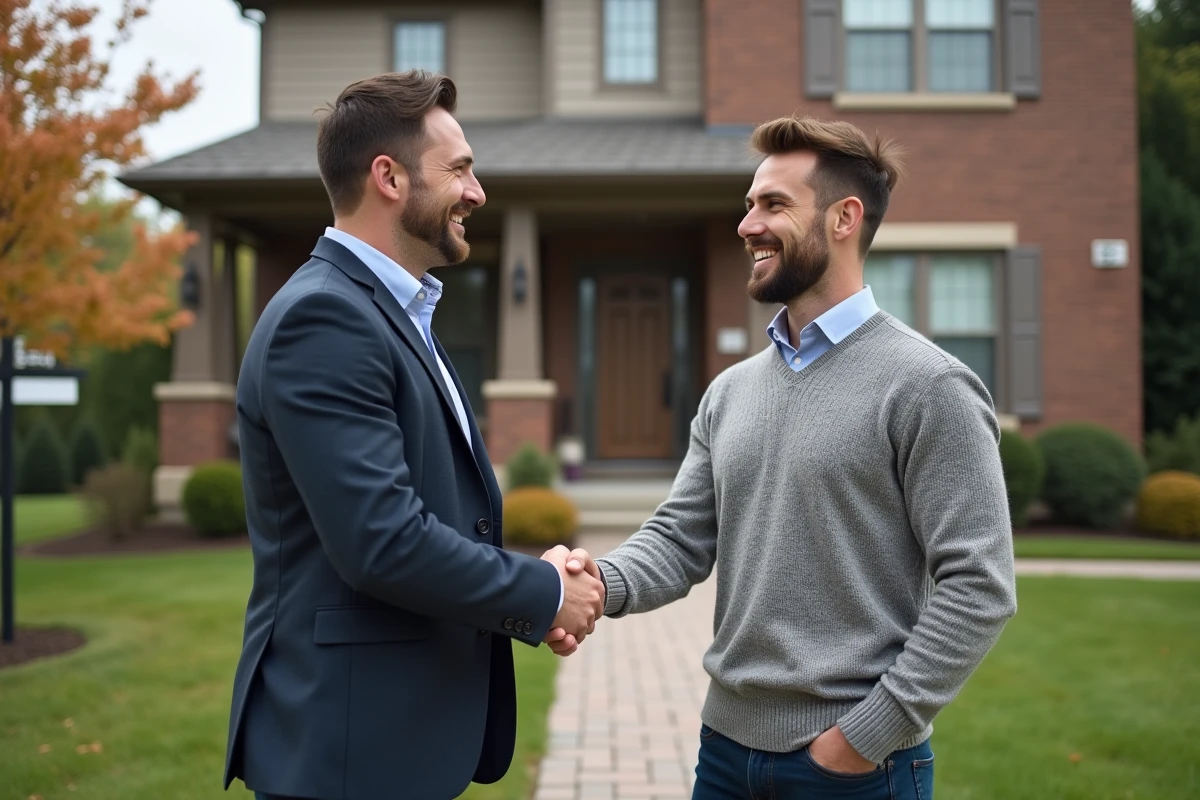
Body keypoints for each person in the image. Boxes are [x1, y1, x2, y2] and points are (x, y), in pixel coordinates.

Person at [564, 115, 1018, 799]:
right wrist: (596, 579)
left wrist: (863, 738)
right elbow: (681, 538)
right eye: (749, 204)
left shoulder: (930, 387)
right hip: (723, 752)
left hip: (854, 769)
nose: (747, 224)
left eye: (773, 204)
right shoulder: (732, 391)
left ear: (844, 218)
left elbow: (980, 584)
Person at [223, 71, 604, 800]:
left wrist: (541, 580)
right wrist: (544, 591)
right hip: (348, 752)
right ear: (389, 177)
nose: (477, 192)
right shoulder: (325, 320)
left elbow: (433, 510)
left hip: (391, 742)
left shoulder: (395, 315)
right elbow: (382, 541)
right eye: (459, 169)